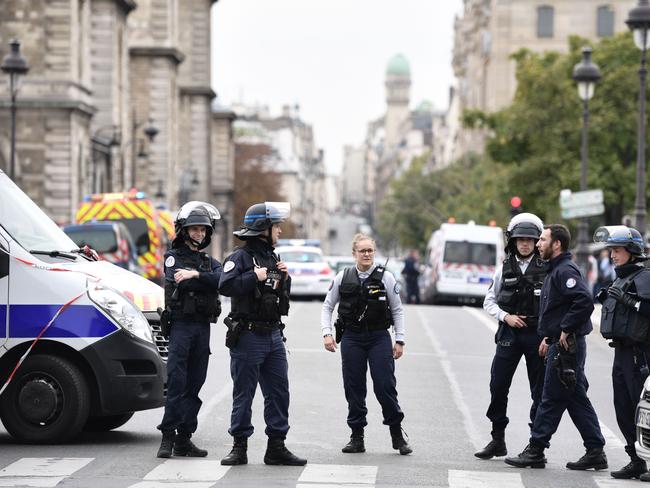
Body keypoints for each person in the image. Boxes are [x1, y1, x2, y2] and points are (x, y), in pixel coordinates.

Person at [505, 224, 607, 470]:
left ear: (556, 244)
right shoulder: (555, 269)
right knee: (575, 397)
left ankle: (536, 449)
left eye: (542, 239)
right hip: (560, 343)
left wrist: (565, 328)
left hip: (567, 346)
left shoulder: (565, 270)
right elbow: (559, 309)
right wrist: (549, 337)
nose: (538, 244)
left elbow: (583, 301)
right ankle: (595, 450)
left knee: (550, 397)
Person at [219, 202, 306, 467]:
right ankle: (239, 447)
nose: (280, 230)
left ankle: (276, 447)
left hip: (273, 336)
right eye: (276, 226)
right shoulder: (240, 258)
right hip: (248, 336)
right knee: (243, 394)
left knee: (279, 393)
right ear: (262, 229)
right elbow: (225, 286)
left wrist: (285, 278)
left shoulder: (273, 258)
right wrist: (252, 277)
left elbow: (278, 297)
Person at [321, 233, 412, 455]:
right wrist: (327, 333)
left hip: (379, 337)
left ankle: (396, 433)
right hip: (352, 337)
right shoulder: (344, 276)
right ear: (354, 254)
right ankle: (357, 436)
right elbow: (327, 306)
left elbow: (397, 310)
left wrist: (399, 339)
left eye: (370, 250)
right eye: (362, 251)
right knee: (354, 388)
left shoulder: (386, 278)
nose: (367, 254)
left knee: (385, 386)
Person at [475, 213, 548, 460]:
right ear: (513, 242)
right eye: (521, 240)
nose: (525, 244)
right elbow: (489, 301)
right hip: (509, 334)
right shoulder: (503, 268)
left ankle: (535, 445)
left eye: (530, 239)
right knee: (498, 385)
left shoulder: (548, 269)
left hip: (537, 336)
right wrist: (506, 317)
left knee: (538, 391)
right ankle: (497, 439)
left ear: (537, 241)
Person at [156, 201, 222, 458]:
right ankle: (167, 437)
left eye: (203, 230)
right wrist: (203, 281)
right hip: (181, 325)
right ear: (184, 231)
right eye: (195, 229)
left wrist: (195, 277)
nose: (200, 234)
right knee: (177, 383)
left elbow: (223, 280)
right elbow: (177, 284)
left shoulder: (208, 261)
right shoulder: (173, 257)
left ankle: (184, 438)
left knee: (195, 384)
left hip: (201, 327)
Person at [593, 226, 650, 479]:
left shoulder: (645, 276)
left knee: (643, 409)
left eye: (617, 250)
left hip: (640, 354)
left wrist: (627, 301)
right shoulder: (622, 277)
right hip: (622, 352)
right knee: (622, 406)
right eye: (611, 250)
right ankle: (635, 459)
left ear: (632, 251)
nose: (612, 255)